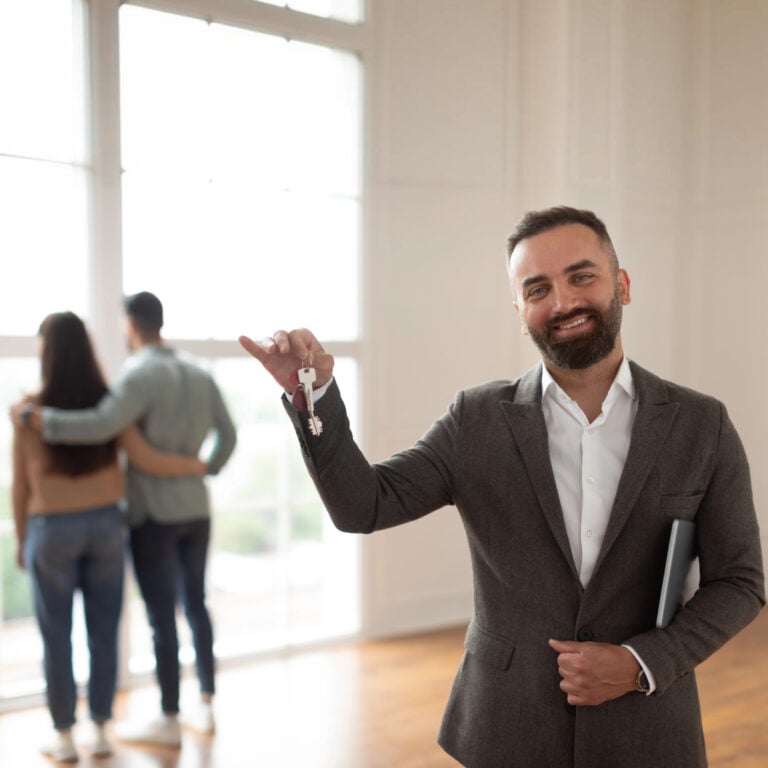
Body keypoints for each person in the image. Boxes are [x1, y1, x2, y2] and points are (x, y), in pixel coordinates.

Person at [238, 206, 765, 768]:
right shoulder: (476, 419)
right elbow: (364, 505)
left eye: (581, 276)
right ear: (520, 311)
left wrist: (641, 662)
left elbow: (739, 581)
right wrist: (315, 395)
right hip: (506, 728)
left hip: (649, 729)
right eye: (538, 289)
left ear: (623, 285)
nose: (562, 302)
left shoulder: (700, 424)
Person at [15, 292, 237, 748]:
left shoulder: (133, 378)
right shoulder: (196, 371)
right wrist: (205, 468)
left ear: (132, 324)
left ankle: (159, 719)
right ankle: (201, 705)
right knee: (191, 605)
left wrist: (40, 419)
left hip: (143, 515)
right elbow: (228, 435)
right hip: (187, 509)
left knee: (150, 619)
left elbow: (98, 427)